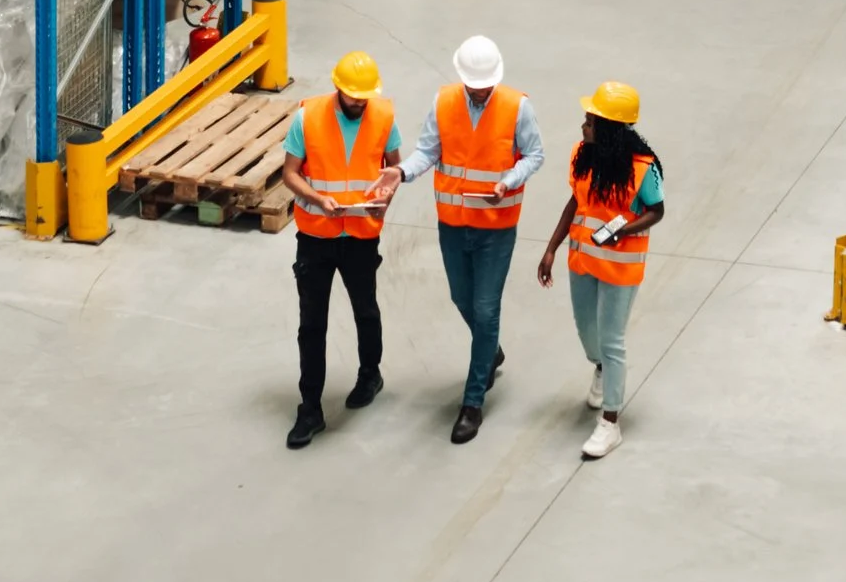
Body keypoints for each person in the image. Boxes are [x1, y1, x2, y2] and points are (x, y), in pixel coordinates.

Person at [400, 34, 545, 446]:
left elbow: (535, 155)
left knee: (485, 308)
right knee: (462, 299)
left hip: (496, 227)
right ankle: (490, 351)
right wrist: (403, 173)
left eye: (485, 86)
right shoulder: (444, 102)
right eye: (473, 85)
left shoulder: (518, 107)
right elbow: (427, 151)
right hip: (452, 223)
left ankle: (473, 400)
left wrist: (509, 180)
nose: (479, 91)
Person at [535, 81, 665, 464]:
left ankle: (611, 422)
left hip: (620, 269)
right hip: (583, 261)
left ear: (609, 128)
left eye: (590, 121)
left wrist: (623, 230)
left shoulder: (644, 169)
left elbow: (656, 210)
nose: (583, 126)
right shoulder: (583, 155)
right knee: (587, 333)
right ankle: (600, 368)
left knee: (612, 340)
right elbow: (576, 201)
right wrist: (551, 248)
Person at [282, 50, 402, 450]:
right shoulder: (308, 117)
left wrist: (384, 196)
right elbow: (290, 173)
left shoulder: (383, 116)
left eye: (364, 97)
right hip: (316, 234)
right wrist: (317, 198)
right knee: (312, 324)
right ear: (338, 88)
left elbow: (394, 168)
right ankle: (310, 407)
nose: (359, 103)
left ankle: (371, 374)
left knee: (365, 310)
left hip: (361, 235)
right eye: (353, 97)